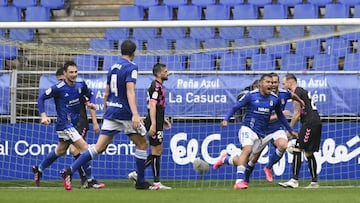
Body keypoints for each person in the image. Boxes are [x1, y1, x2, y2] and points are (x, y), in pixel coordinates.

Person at [59, 40, 159, 190]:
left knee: (99, 147)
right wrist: (135, 114)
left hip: (111, 111)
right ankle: (141, 182)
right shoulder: (131, 67)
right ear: (134, 53)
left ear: (121, 51)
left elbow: (107, 90)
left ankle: (69, 170)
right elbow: (130, 91)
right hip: (124, 113)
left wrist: (106, 105)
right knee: (142, 144)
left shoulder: (113, 66)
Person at [213, 73, 297, 190]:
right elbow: (235, 107)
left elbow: (281, 116)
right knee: (246, 150)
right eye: (267, 82)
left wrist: (290, 130)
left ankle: (225, 159)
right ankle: (239, 181)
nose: (270, 85)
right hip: (248, 128)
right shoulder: (251, 96)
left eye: (272, 83)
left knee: (244, 160)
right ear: (261, 84)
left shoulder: (274, 99)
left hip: (261, 134)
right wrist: (226, 120)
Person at [33, 61, 102, 190]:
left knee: (60, 150)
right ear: (65, 73)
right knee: (85, 148)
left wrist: (92, 103)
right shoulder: (58, 88)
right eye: (71, 72)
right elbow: (41, 98)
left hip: (74, 124)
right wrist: (43, 115)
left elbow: (91, 94)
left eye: (75, 72)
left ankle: (39, 168)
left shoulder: (81, 86)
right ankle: (89, 179)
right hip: (64, 125)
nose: (74, 74)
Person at [243, 73, 304, 184]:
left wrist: (300, 101)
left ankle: (268, 167)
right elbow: (264, 117)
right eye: (271, 82)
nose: (273, 85)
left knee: (283, 145)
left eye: (275, 82)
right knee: (252, 158)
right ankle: (245, 180)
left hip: (276, 128)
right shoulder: (263, 96)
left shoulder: (284, 93)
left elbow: (292, 95)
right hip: (261, 130)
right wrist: (279, 115)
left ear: (278, 83)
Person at [54, 67, 103, 189]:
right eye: (58, 80)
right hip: (68, 125)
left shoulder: (78, 88)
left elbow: (90, 104)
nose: (60, 82)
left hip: (81, 123)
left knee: (76, 150)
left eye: (61, 79)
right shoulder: (61, 91)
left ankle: (88, 179)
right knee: (73, 150)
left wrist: (95, 122)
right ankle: (87, 180)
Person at [128, 63, 172, 190]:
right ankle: (142, 176)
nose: (167, 73)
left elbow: (157, 106)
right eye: (165, 71)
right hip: (154, 122)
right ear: (159, 74)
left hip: (157, 120)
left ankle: (141, 175)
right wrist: (153, 123)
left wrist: (162, 119)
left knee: (158, 151)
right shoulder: (156, 86)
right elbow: (152, 105)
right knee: (156, 151)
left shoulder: (158, 86)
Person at [278, 73, 322, 189]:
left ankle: (294, 180)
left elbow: (297, 113)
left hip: (310, 123)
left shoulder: (296, 92)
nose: (282, 86)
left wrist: (289, 130)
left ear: (290, 82)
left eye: (284, 83)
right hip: (316, 122)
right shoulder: (303, 91)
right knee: (308, 152)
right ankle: (314, 182)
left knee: (297, 148)